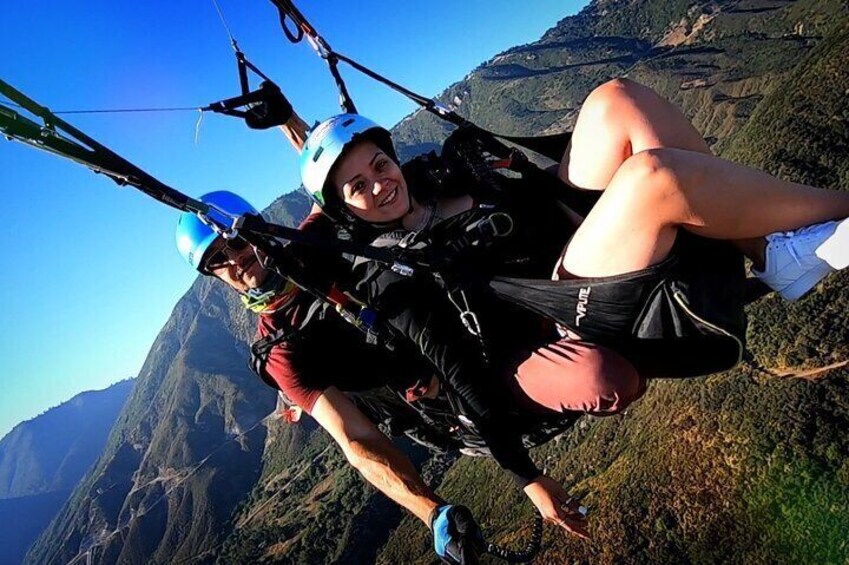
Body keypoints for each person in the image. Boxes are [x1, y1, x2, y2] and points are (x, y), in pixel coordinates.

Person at [297, 78, 849, 538]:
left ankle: (767, 251)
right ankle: (834, 217)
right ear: (343, 212)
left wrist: (287, 119)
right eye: (358, 188)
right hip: (559, 304)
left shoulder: (436, 177)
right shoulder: (390, 277)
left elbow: (533, 191)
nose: (379, 185)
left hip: (567, 236)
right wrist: (528, 479)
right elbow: (460, 374)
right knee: (653, 176)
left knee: (617, 99)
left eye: (378, 164)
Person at [174, 190, 635, 561]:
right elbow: (355, 438)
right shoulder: (284, 349)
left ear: (256, 229)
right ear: (213, 277)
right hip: (464, 404)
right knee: (610, 380)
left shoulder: (314, 246)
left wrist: (287, 119)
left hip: (480, 330)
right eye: (217, 259)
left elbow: (327, 177)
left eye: (235, 239)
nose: (235, 258)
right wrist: (431, 511)